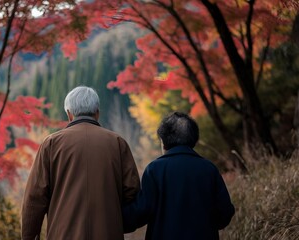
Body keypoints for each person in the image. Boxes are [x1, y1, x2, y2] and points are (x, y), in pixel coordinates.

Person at [21, 86, 140, 240]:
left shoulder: (51, 144)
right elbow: (132, 192)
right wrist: (118, 224)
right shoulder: (117, 143)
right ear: (97, 113)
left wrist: (29, 236)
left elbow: (35, 198)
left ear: (69, 114)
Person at [123, 112, 235, 240]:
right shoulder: (209, 169)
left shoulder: (154, 170)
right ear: (193, 141)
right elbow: (225, 213)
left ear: (164, 142)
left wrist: (117, 215)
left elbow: (142, 211)